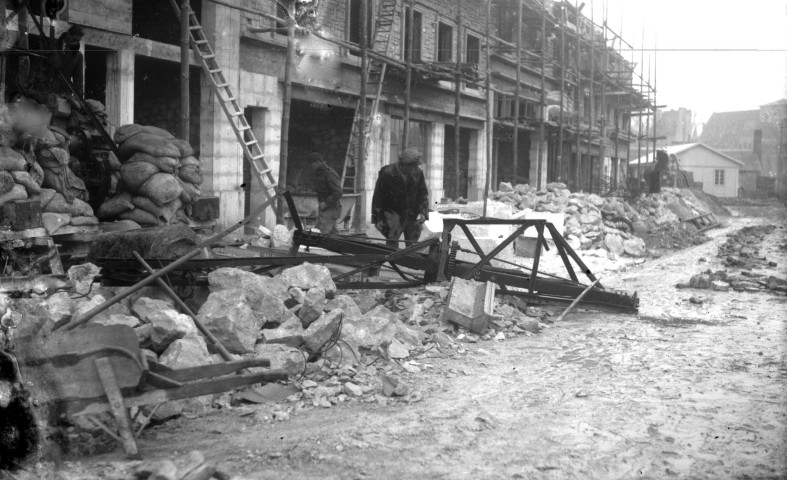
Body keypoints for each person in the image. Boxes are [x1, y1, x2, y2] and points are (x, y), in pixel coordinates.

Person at [372, 147, 429, 248]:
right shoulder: (387, 172)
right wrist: (378, 218)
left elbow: (423, 194)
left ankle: (410, 262)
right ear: (405, 165)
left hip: (411, 214)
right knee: (391, 244)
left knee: (412, 245)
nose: (417, 169)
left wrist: (423, 212)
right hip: (392, 214)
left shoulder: (418, 173)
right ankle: (390, 262)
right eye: (414, 166)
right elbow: (378, 197)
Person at [305, 152, 343, 234]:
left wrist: (326, 204)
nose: (311, 167)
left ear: (318, 162)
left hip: (330, 208)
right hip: (327, 209)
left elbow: (338, 192)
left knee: (321, 234)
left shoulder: (328, 173)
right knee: (334, 234)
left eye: (312, 164)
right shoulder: (320, 174)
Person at [53, 25, 85, 95]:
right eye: (74, 39)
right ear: (68, 35)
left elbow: (78, 79)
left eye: (78, 41)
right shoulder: (53, 46)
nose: (76, 43)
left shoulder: (78, 56)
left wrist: (78, 99)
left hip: (64, 94)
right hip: (47, 91)